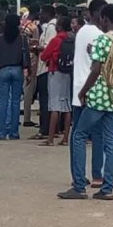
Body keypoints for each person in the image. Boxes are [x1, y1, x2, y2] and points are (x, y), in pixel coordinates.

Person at [59, 4, 113, 201]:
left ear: (104, 18)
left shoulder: (104, 39)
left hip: (98, 97)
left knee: (78, 135)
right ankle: (107, 187)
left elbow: (96, 69)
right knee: (110, 141)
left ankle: (79, 186)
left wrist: (83, 91)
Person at [70, 0, 106, 185]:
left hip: (79, 89)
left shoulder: (82, 31)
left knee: (77, 135)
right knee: (97, 135)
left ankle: (78, 175)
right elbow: (98, 66)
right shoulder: (101, 35)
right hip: (94, 90)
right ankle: (97, 175)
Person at [0, 14, 30, 140]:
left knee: (3, 102)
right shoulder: (22, 38)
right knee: (15, 102)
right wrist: (28, 71)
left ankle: (1, 132)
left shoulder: (0, 38)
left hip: (3, 70)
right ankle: (14, 132)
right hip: (17, 69)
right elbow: (27, 57)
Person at [39, 15, 73, 146]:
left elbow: (44, 56)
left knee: (54, 106)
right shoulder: (71, 39)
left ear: (59, 26)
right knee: (66, 105)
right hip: (68, 72)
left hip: (55, 71)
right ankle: (65, 138)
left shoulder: (56, 40)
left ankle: (50, 138)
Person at [33, 5, 57, 140]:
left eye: (42, 13)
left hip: (46, 67)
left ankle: (45, 129)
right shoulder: (48, 27)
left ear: (48, 14)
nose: (40, 16)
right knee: (44, 98)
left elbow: (49, 46)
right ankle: (45, 127)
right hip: (44, 67)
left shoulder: (51, 27)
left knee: (45, 99)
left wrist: (37, 47)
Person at [21, 6, 41, 128]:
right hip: (31, 59)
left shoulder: (21, 25)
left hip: (19, 57)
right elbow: (35, 45)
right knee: (29, 88)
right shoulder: (33, 28)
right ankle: (27, 118)